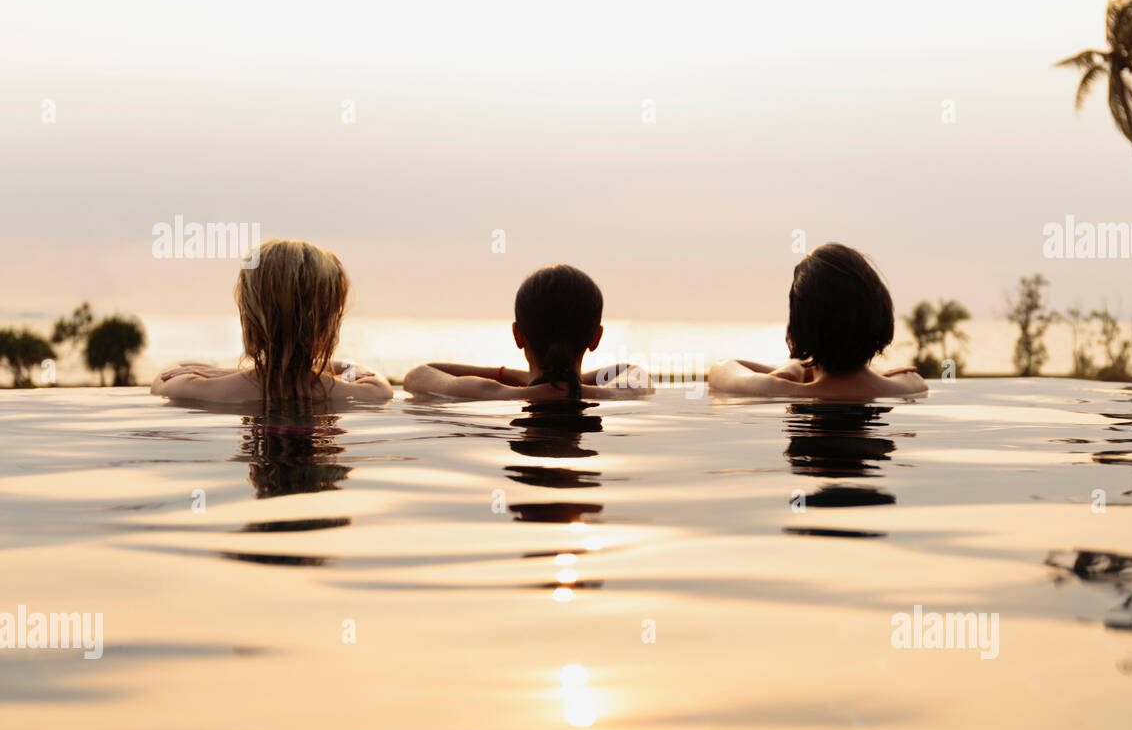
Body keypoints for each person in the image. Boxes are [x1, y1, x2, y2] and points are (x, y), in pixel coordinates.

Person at [150, 239, 392, 403]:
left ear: (251, 318)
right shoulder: (363, 393)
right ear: (327, 322)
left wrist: (221, 372)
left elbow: (164, 379)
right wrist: (321, 366)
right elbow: (361, 371)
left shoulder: (208, 391)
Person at [708, 243, 927, 398]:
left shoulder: (779, 390)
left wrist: (794, 367)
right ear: (880, 313)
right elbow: (909, 376)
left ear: (800, 326)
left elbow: (721, 370)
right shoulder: (906, 387)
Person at [403, 264, 649, 400]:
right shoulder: (618, 395)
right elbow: (632, 371)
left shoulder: (493, 394)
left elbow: (418, 374)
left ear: (518, 335)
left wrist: (512, 376)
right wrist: (566, 379)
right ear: (596, 338)